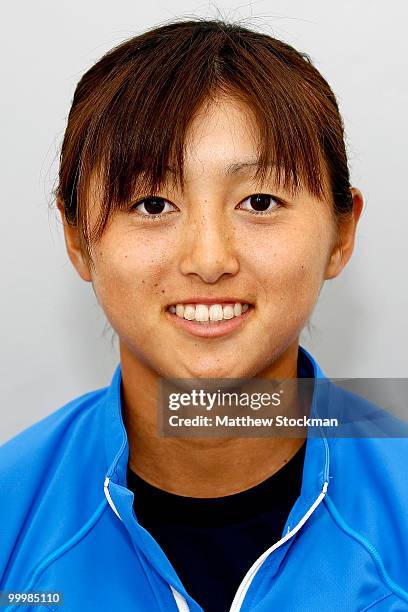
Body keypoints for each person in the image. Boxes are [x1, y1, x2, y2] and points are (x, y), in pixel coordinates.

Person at [1, 17, 407, 612]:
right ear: (77, 239)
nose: (209, 259)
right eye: (152, 203)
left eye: (260, 202)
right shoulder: (12, 513)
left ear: (342, 234)